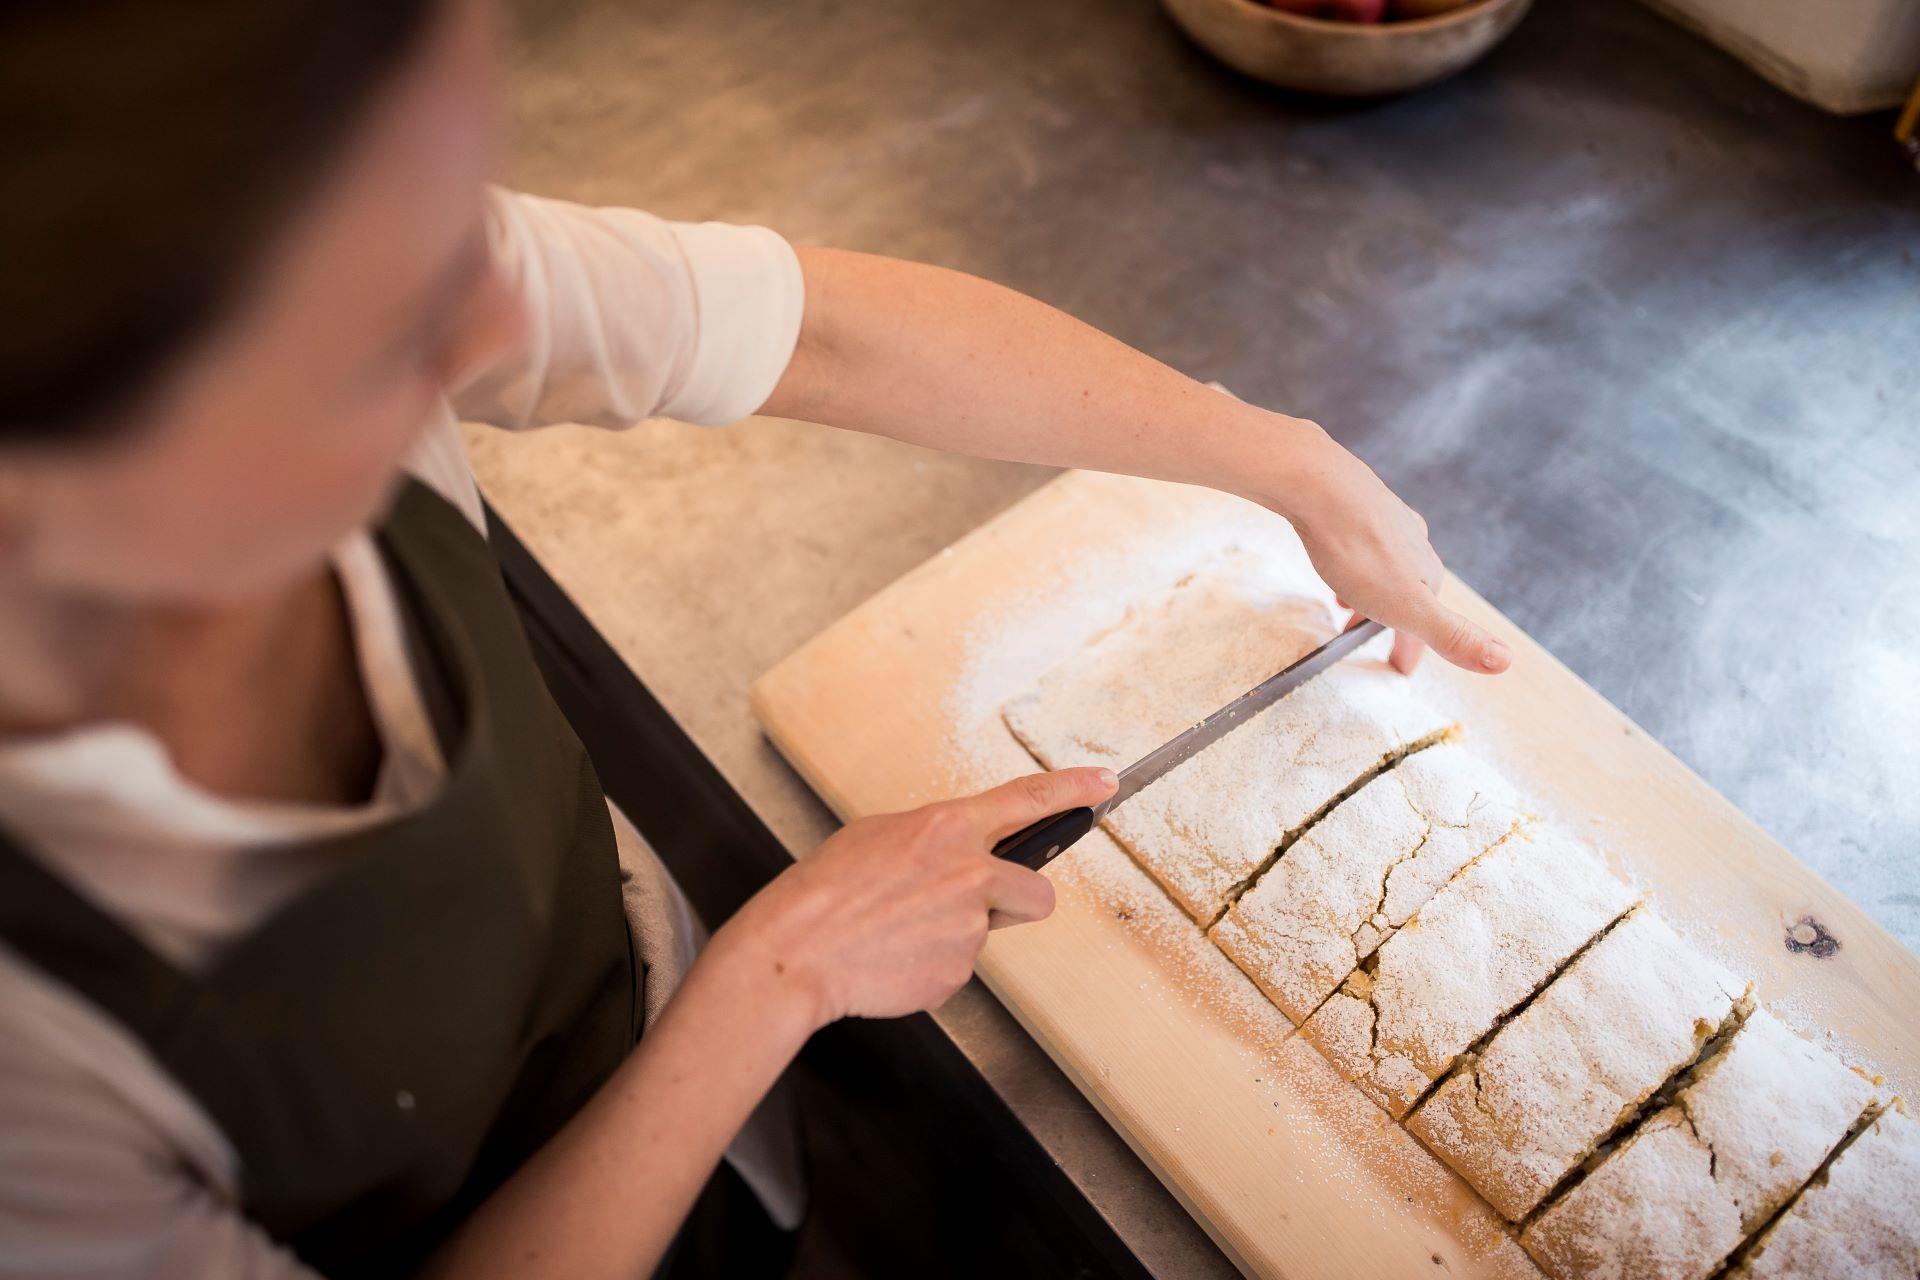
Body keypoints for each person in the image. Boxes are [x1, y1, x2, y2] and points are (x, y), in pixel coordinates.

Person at [0, 1, 1510, 1276]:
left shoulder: (295, 256)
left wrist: (1282, 458)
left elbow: (822, 332)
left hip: (680, 1067)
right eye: (388, 327)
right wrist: (776, 978)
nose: (486, 335)